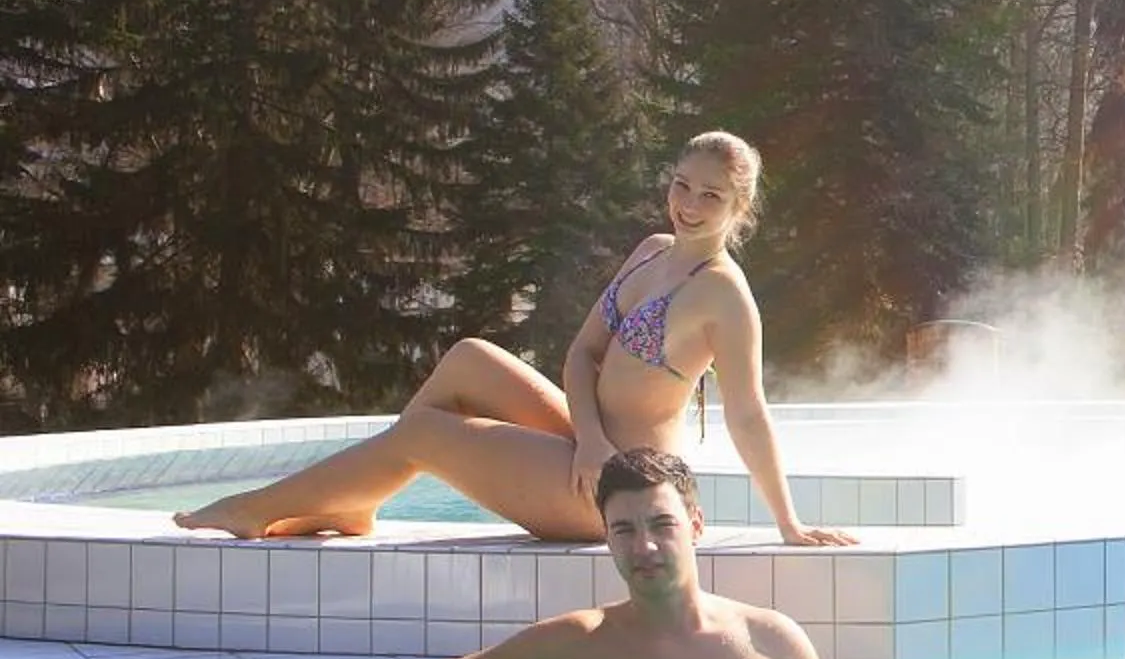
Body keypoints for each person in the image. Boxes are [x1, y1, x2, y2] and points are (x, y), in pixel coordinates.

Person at [177, 130, 855, 545]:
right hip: (588, 447)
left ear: (739, 207)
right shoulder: (651, 250)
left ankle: (256, 509)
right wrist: (588, 435)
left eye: (710, 196)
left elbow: (747, 414)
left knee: (424, 434)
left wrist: (789, 526)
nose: (688, 204)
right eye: (681, 185)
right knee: (468, 358)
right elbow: (582, 354)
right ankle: (355, 505)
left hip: (624, 489)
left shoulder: (724, 294)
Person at [318, 447, 876, 659]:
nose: (646, 546)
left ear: (696, 525)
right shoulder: (575, 645)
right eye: (625, 530)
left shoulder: (769, 636)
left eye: (662, 524)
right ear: (607, 536)